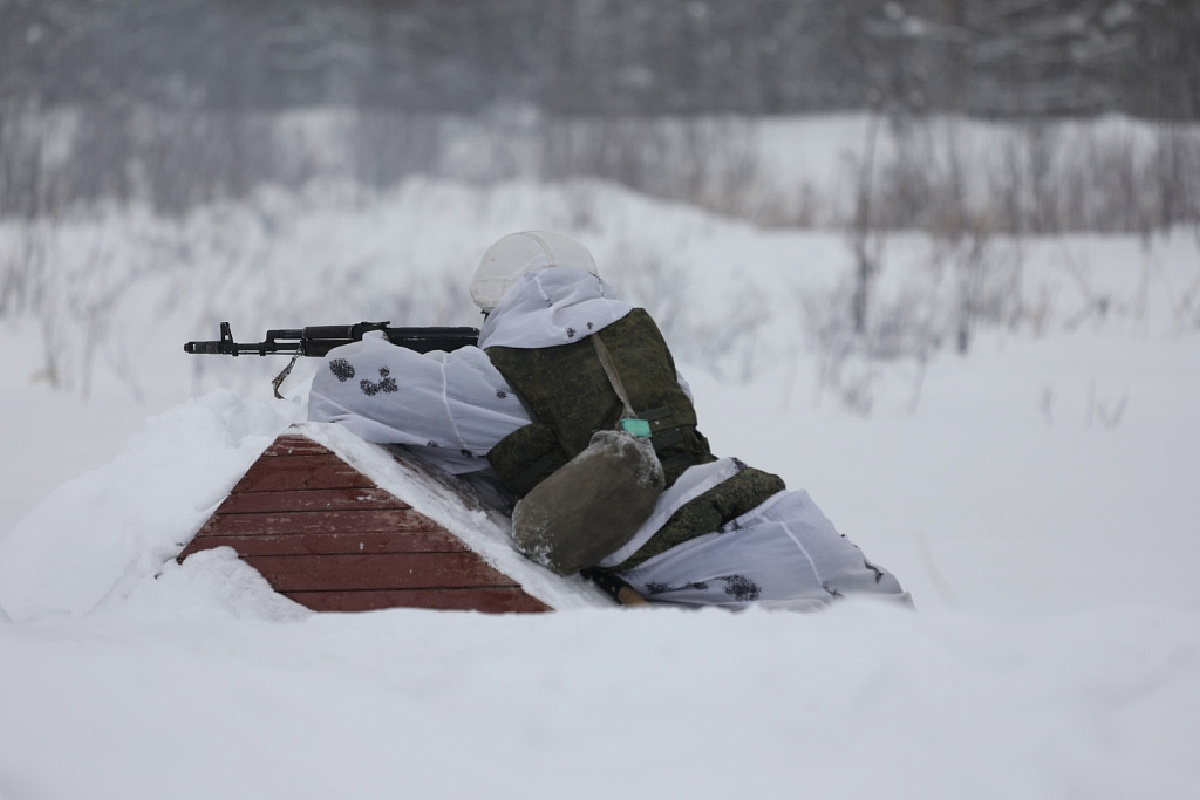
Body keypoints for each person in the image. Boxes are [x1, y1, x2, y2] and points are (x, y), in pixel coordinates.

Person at [308, 231, 907, 610]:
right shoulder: (641, 348)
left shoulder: (497, 377)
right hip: (776, 519)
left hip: (700, 563)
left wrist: (384, 345)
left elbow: (345, 385)